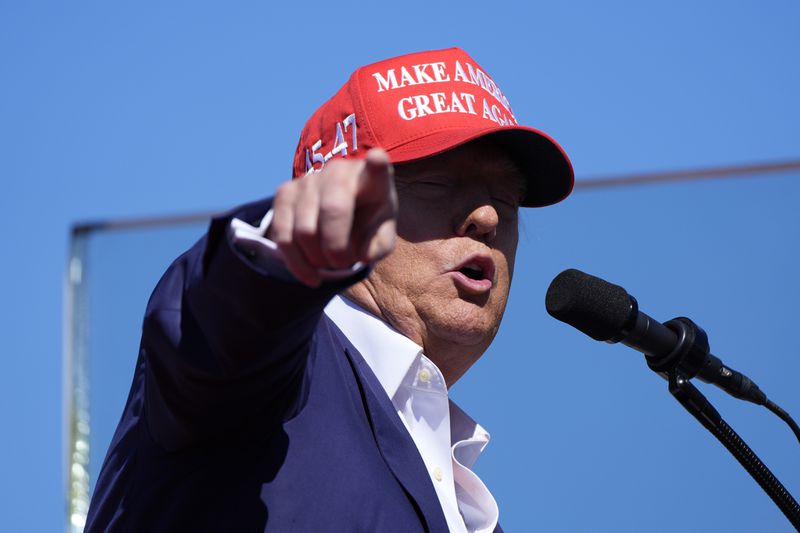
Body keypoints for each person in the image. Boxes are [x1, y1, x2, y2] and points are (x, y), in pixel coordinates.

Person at [86, 47, 573, 532]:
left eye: (507, 198)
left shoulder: (457, 493)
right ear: (344, 199)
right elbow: (219, 325)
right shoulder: (270, 376)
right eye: (440, 182)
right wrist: (279, 258)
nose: (488, 218)